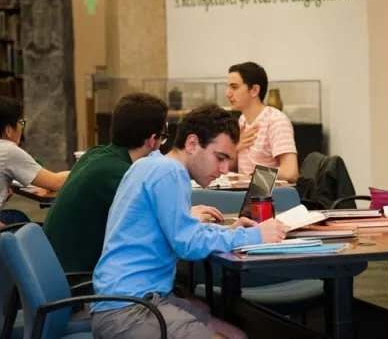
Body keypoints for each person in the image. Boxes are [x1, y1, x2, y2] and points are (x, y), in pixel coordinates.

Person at [91, 104, 286, 339]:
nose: (224, 169)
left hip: (126, 300)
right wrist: (256, 235)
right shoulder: (169, 172)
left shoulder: (150, 164)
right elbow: (188, 244)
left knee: (235, 333)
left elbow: (178, 230)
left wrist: (229, 231)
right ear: (192, 143)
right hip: (131, 309)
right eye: (220, 158)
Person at [44, 93, 173, 272]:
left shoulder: (96, 153)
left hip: (55, 267)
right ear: (152, 140)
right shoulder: (121, 175)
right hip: (81, 276)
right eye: (162, 137)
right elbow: (160, 224)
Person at [0, 96, 68, 227]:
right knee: (38, 229)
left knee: (17, 216)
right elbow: (56, 182)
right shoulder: (8, 150)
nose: (22, 128)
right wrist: (84, 167)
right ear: (8, 130)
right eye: (21, 123)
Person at [225, 62, 299, 182]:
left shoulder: (276, 121)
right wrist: (235, 148)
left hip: (267, 192)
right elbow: (232, 167)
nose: (227, 94)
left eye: (234, 87)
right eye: (228, 87)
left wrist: (252, 175)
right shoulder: (242, 120)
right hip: (244, 189)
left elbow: (290, 172)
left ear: (254, 90)